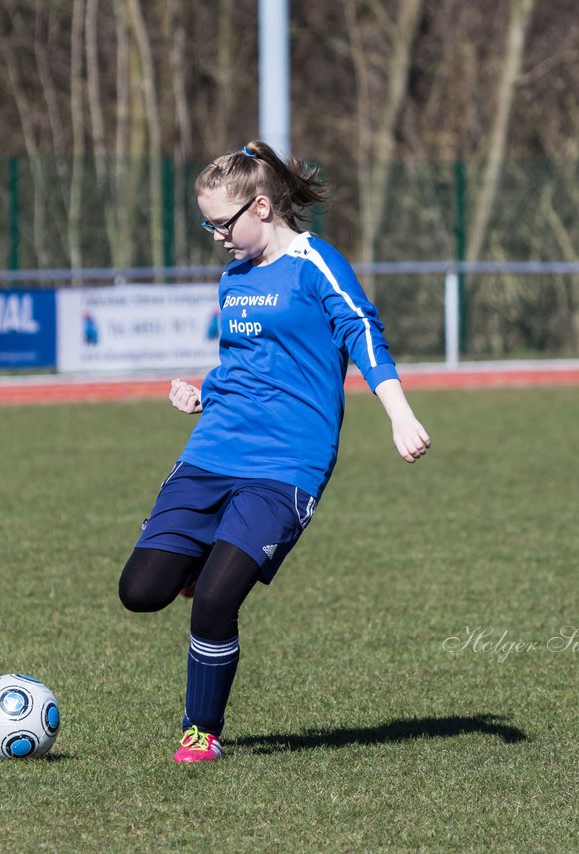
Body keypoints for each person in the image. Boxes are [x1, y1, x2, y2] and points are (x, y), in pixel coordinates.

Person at [117, 140, 432, 761]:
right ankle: (194, 563)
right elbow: (247, 364)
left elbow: (361, 330)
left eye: (221, 223)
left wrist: (399, 413)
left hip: (287, 465)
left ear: (261, 206)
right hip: (213, 451)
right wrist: (203, 392)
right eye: (208, 225)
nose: (217, 237)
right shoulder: (234, 278)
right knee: (140, 591)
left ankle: (200, 731)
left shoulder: (317, 263)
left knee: (215, 600)